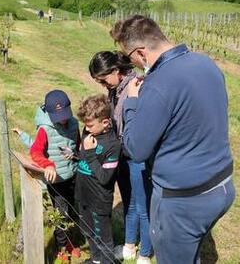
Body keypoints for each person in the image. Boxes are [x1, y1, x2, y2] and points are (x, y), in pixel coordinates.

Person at [110, 15, 236, 264]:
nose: (130, 63)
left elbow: (136, 148)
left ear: (142, 53)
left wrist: (133, 102)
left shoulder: (157, 85)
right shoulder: (205, 62)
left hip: (184, 202)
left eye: (129, 57)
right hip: (222, 187)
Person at [89, 51, 153, 263]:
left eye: (104, 79)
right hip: (122, 154)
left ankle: (145, 253)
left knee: (143, 206)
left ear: (116, 71)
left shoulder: (137, 86)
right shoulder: (115, 89)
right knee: (129, 202)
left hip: (137, 156)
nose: (103, 85)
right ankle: (129, 245)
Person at [20, 90, 80, 254]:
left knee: (73, 211)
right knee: (61, 214)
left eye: (65, 114)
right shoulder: (44, 130)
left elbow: (78, 146)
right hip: (57, 181)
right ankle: (61, 248)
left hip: (73, 176)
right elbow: (35, 152)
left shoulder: (74, 124)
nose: (63, 119)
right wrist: (48, 165)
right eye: (58, 116)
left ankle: (69, 242)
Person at [75, 94, 121, 264]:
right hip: (83, 195)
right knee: (88, 231)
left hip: (99, 200)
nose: (86, 129)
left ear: (105, 123)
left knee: (103, 238)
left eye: (90, 125)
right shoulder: (88, 134)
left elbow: (104, 178)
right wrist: (75, 156)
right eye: (85, 125)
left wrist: (89, 153)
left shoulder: (113, 145)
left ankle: (107, 261)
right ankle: (96, 260)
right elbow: (83, 157)